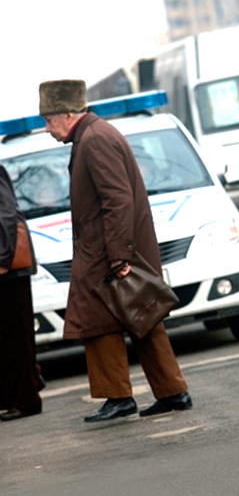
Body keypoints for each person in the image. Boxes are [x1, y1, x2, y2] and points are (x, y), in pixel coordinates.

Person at [39, 79, 192, 422]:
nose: (46, 129)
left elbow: (117, 199)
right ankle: (172, 392)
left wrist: (120, 255)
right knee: (142, 317)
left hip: (106, 252)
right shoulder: (94, 135)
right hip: (110, 248)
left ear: (67, 115)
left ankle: (119, 397)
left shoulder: (93, 140)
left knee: (97, 322)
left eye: (49, 120)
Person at [0, 162, 43, 422]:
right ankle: (24, 387)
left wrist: (3, 259)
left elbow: (5, 214)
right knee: (8, 337)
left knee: (15, 336)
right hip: (6, 265)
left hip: (7, 268)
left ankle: (26, 399)